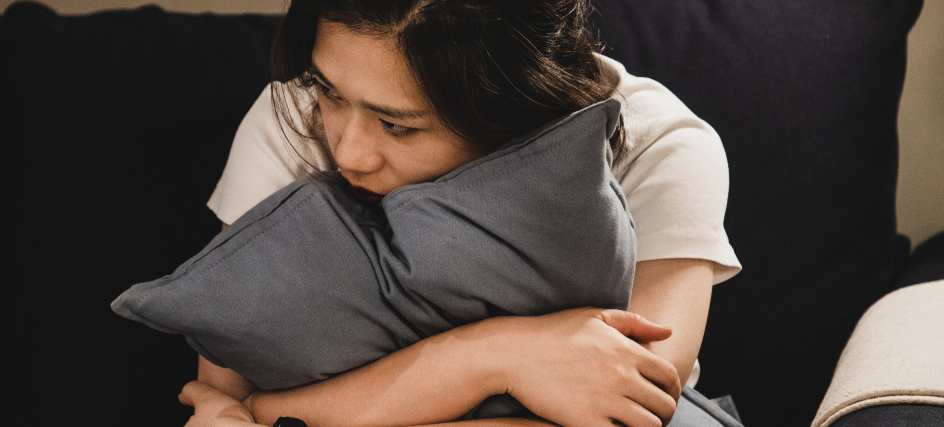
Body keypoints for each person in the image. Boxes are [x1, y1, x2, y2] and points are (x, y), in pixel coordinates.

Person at [184, 0, 741, 426]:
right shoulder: (298, 114)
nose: (349, 151)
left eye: (399, 125)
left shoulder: (657, 145)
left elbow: (636, 402)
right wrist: (499, 357)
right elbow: (223, 390)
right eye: (328, 91)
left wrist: (281, 412)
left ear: (514, 101)